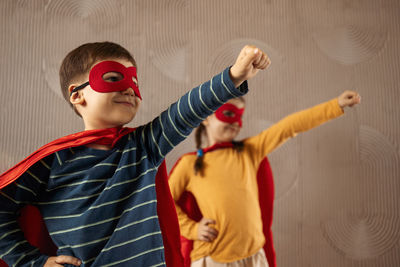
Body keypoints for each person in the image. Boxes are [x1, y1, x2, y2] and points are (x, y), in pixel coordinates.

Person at [0, 42, 270, 267]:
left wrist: (234, 76)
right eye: (114, 78)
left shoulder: (143, 146)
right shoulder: (52, 162)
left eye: (134, 81)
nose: (130, 87)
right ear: (77, 96)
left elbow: (185, 111)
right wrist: (32, 262)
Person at [168, 90, 361, 267]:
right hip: (213, 259)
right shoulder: (189, 164)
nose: (236, 123)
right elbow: (163, 203)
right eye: (228, 114)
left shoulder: (250, 151)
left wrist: (336, 105)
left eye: (240, 117)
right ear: (207, 117)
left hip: (254, 257)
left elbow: (288, 127)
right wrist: (193, 229)